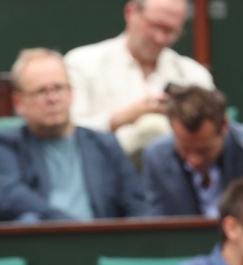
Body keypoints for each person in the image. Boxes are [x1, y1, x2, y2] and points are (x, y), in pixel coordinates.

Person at [0, 49, 146, 222]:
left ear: (71, 93)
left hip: (103, 244)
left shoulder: (104, 144)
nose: (52, 98)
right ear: (19, 103)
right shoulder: (4, 146)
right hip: (40, 242)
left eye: (58, 88)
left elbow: (137, 205)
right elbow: (7, 196)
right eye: (41, 91)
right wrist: (69, 225)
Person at [65, 0, 213, 162]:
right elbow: (68, 132)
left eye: (171, 31)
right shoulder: (82, 63)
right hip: (103, 171)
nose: (160, 38)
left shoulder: (193, 74)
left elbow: (212, 133)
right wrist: (125, 117)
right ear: (131, 13)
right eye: (155, 26)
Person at [143, 86, 243, 216]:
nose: (193, 161)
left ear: (224, 126)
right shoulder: (156, 157)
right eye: (185, 149)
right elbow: (155, 221)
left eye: (204, 150)